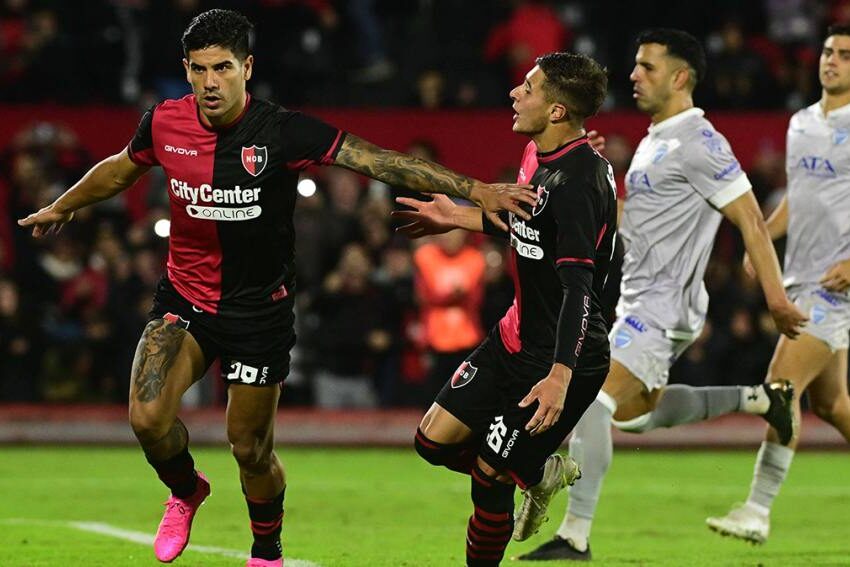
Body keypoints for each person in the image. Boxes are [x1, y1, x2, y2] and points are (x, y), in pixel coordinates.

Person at [17, 9, 537, 567]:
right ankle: (188, 490)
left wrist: (473, 189)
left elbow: (380, 162)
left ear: (247, 67)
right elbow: (121, 167)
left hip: (258, 316)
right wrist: (61, 206)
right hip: (185, 301)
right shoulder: (165, 122)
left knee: (250, 449)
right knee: (146, 417)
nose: (210, 82)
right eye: (198, 70)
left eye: (221, 67)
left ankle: (266, 550)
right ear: (186, 71)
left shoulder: (283, 132)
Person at [517, 29, 808, 562]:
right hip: (637, 301)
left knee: (591, 406)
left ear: (680, 77)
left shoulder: (701, 142)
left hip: (663, 307)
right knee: (636, 416)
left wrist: (775, 296)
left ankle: (575, 536)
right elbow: (636, 223)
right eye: (635, 64)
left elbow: (750, 220)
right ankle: (763, 399)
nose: (633, 75)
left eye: (647, 66)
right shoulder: (657, 139)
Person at [395, 51, 616, 566]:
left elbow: (580, 288)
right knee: (432, 443)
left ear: (557, 111)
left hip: (564, 357)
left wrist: (560, 376)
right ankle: (537, 472)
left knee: (489, 476)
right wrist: (460, 217)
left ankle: (517, 475)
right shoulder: (539, 155)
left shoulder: (579, 183)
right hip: (513, 338)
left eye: (529, 87)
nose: (515, 93)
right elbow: (531, 228)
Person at [706, 24, 850, 544]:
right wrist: (761, 237)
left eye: (846, 56)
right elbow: (800, 198)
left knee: (780, 390)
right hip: (800, 275)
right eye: (829, 52)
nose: (832, 61)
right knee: (832, 404)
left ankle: (757, 510)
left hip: (836, 287)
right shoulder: (802, 123)